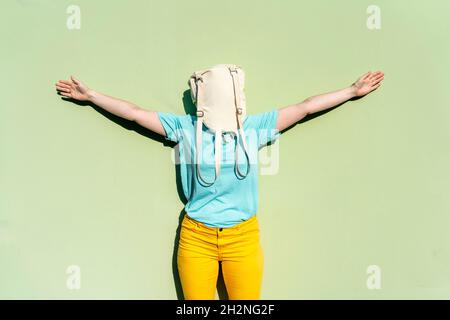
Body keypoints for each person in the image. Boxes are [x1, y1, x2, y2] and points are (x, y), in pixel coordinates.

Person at [55, 70, 384, 299]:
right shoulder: (184, 128)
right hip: (196, 237)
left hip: (243, 237)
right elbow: (135, 114)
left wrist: (352, 91)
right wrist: (92, 96)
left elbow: (305, 107)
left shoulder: (253, 128)